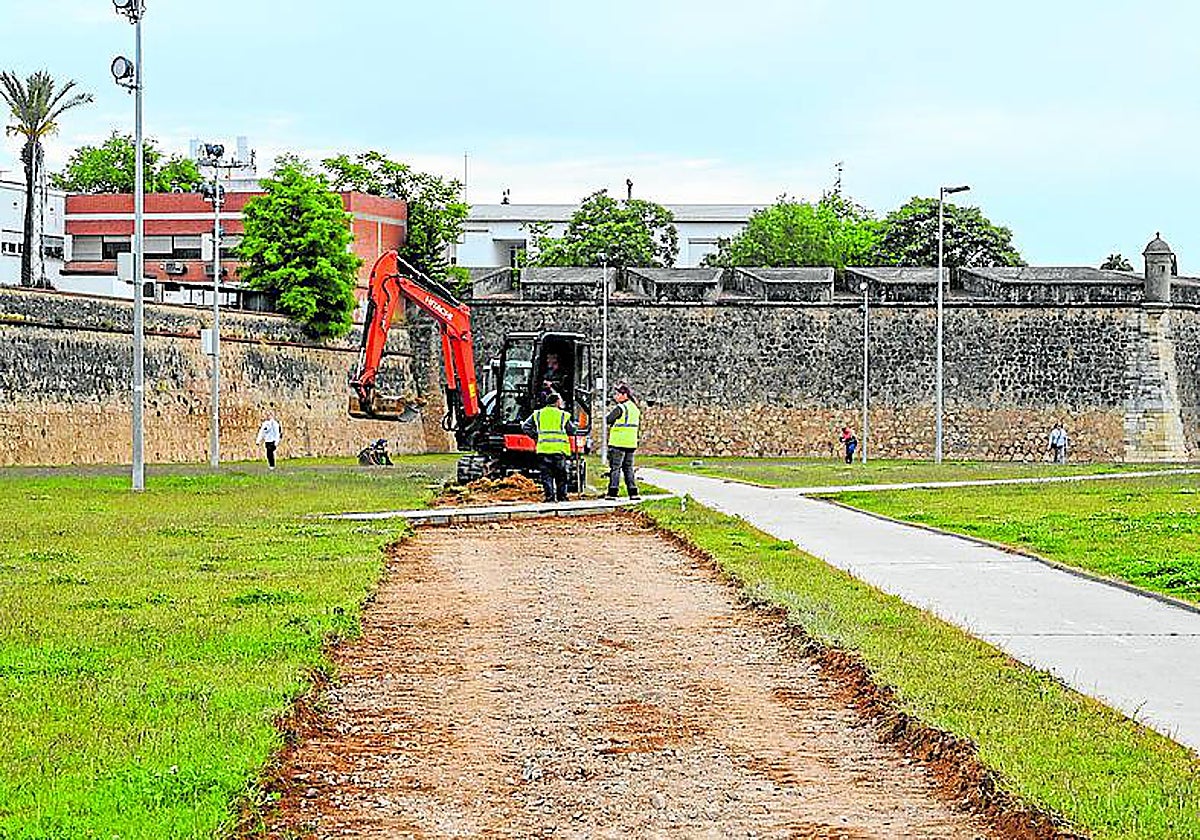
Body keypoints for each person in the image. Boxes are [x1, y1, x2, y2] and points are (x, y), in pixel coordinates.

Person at [522, 391, 578, 502]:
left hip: (543, 450)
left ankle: (549, 497)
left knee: (546, 476)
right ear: (557, 402)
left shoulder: (538, 414)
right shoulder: (563, 415)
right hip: (559, 450)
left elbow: (525, 427)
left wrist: (536, 436)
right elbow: (572, 430)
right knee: (561, 475)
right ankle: (562, 496)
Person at [605, 383, 641, 500]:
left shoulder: (621, 408)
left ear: (624, 395)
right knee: (628, 468)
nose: (616, 397)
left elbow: (608, 419)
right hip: (630, 443)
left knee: (615, 468)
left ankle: (612, 492)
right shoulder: (635, 408)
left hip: (618, 442)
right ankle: (633, 492)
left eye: (618, 394)